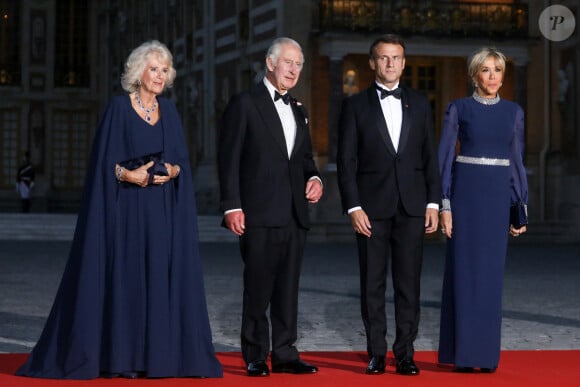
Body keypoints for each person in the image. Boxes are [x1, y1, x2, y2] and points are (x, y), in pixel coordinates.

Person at [16, 40, 223, 379]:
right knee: (127, 281)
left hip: (161, 215)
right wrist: (130, 174)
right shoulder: (117, 108)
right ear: (138, 71)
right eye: (153, 69)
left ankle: (157, 358)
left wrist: (169, 172)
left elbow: (182, 163)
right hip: (125, 211)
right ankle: (123, 358)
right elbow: (103, 164)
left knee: (158, 279)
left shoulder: (169, 112)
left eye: (164, 70)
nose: (159, 76)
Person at [218, 37, 323, 377]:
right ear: (270, 63)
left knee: (288, 288)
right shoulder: (245, 103)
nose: (293, 70)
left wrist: (316, 179)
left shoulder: (299, 109)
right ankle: (254, 354)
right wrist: (232, 206)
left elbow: (305, 159)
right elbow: (229, 159)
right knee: (258, 286)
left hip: (294, 213)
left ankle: (285, 352)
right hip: (258, 213)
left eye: (298, 64)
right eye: (288, 62)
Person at [337, 34, 441, 376]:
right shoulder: (354, 105)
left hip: (412, 208)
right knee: (372, 284)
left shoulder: (421, 103)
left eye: (396, 57)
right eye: (384, 58)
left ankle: (406, 353)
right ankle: (377, 353)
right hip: (371, 211)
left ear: (404, 62)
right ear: (372, 63)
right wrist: (354, 208)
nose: (391, 63)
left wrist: (433, 202)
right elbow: (346, 161)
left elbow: (430, 158)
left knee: (409, 284)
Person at [437, 47, 528, 373]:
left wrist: (519, 208)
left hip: (495, 201)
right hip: (465, 197)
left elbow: (516, 162)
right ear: (474, 74)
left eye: (498, 70)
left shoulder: (514, 112)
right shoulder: (458, 109)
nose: (493, 76)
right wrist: (445, 205)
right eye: (486, 70)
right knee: (463, 274)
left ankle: (485, 356)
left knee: (490, 278)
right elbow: (445, 158)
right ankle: (463, 354)